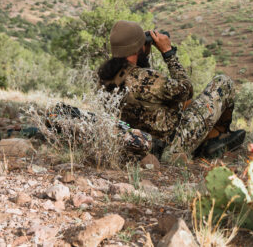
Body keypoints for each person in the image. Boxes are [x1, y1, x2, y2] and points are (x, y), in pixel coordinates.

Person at [97, 20, 245, 161]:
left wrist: (142, 53)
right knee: (223, 82)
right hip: (172, 146)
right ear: (137, 47)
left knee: (182, 103)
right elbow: (187, 89)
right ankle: (216, 139)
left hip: (141, 142)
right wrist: (168, 53)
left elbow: (140, 87)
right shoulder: (149, 79)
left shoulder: (104, 78)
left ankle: (210, 140)